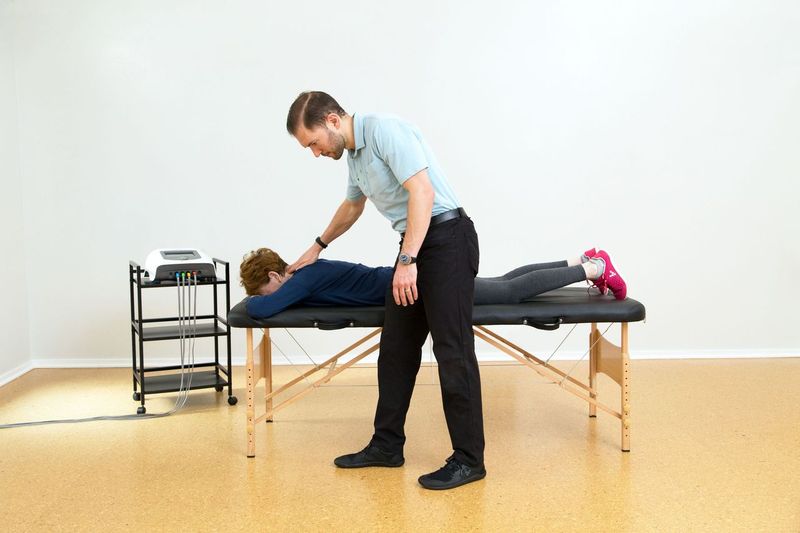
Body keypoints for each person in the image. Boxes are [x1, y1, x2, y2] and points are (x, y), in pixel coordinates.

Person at [240, 247, 627, 319]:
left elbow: (262, 308)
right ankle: (579, 260)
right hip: (415, 283)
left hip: (422, 286)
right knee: (504, 280)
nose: (268, 294)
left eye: (264, 287)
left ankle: (594, 269)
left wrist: (256, 301)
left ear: (275, 276)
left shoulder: (303, 277)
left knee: (507, 292)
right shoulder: (306, 275)